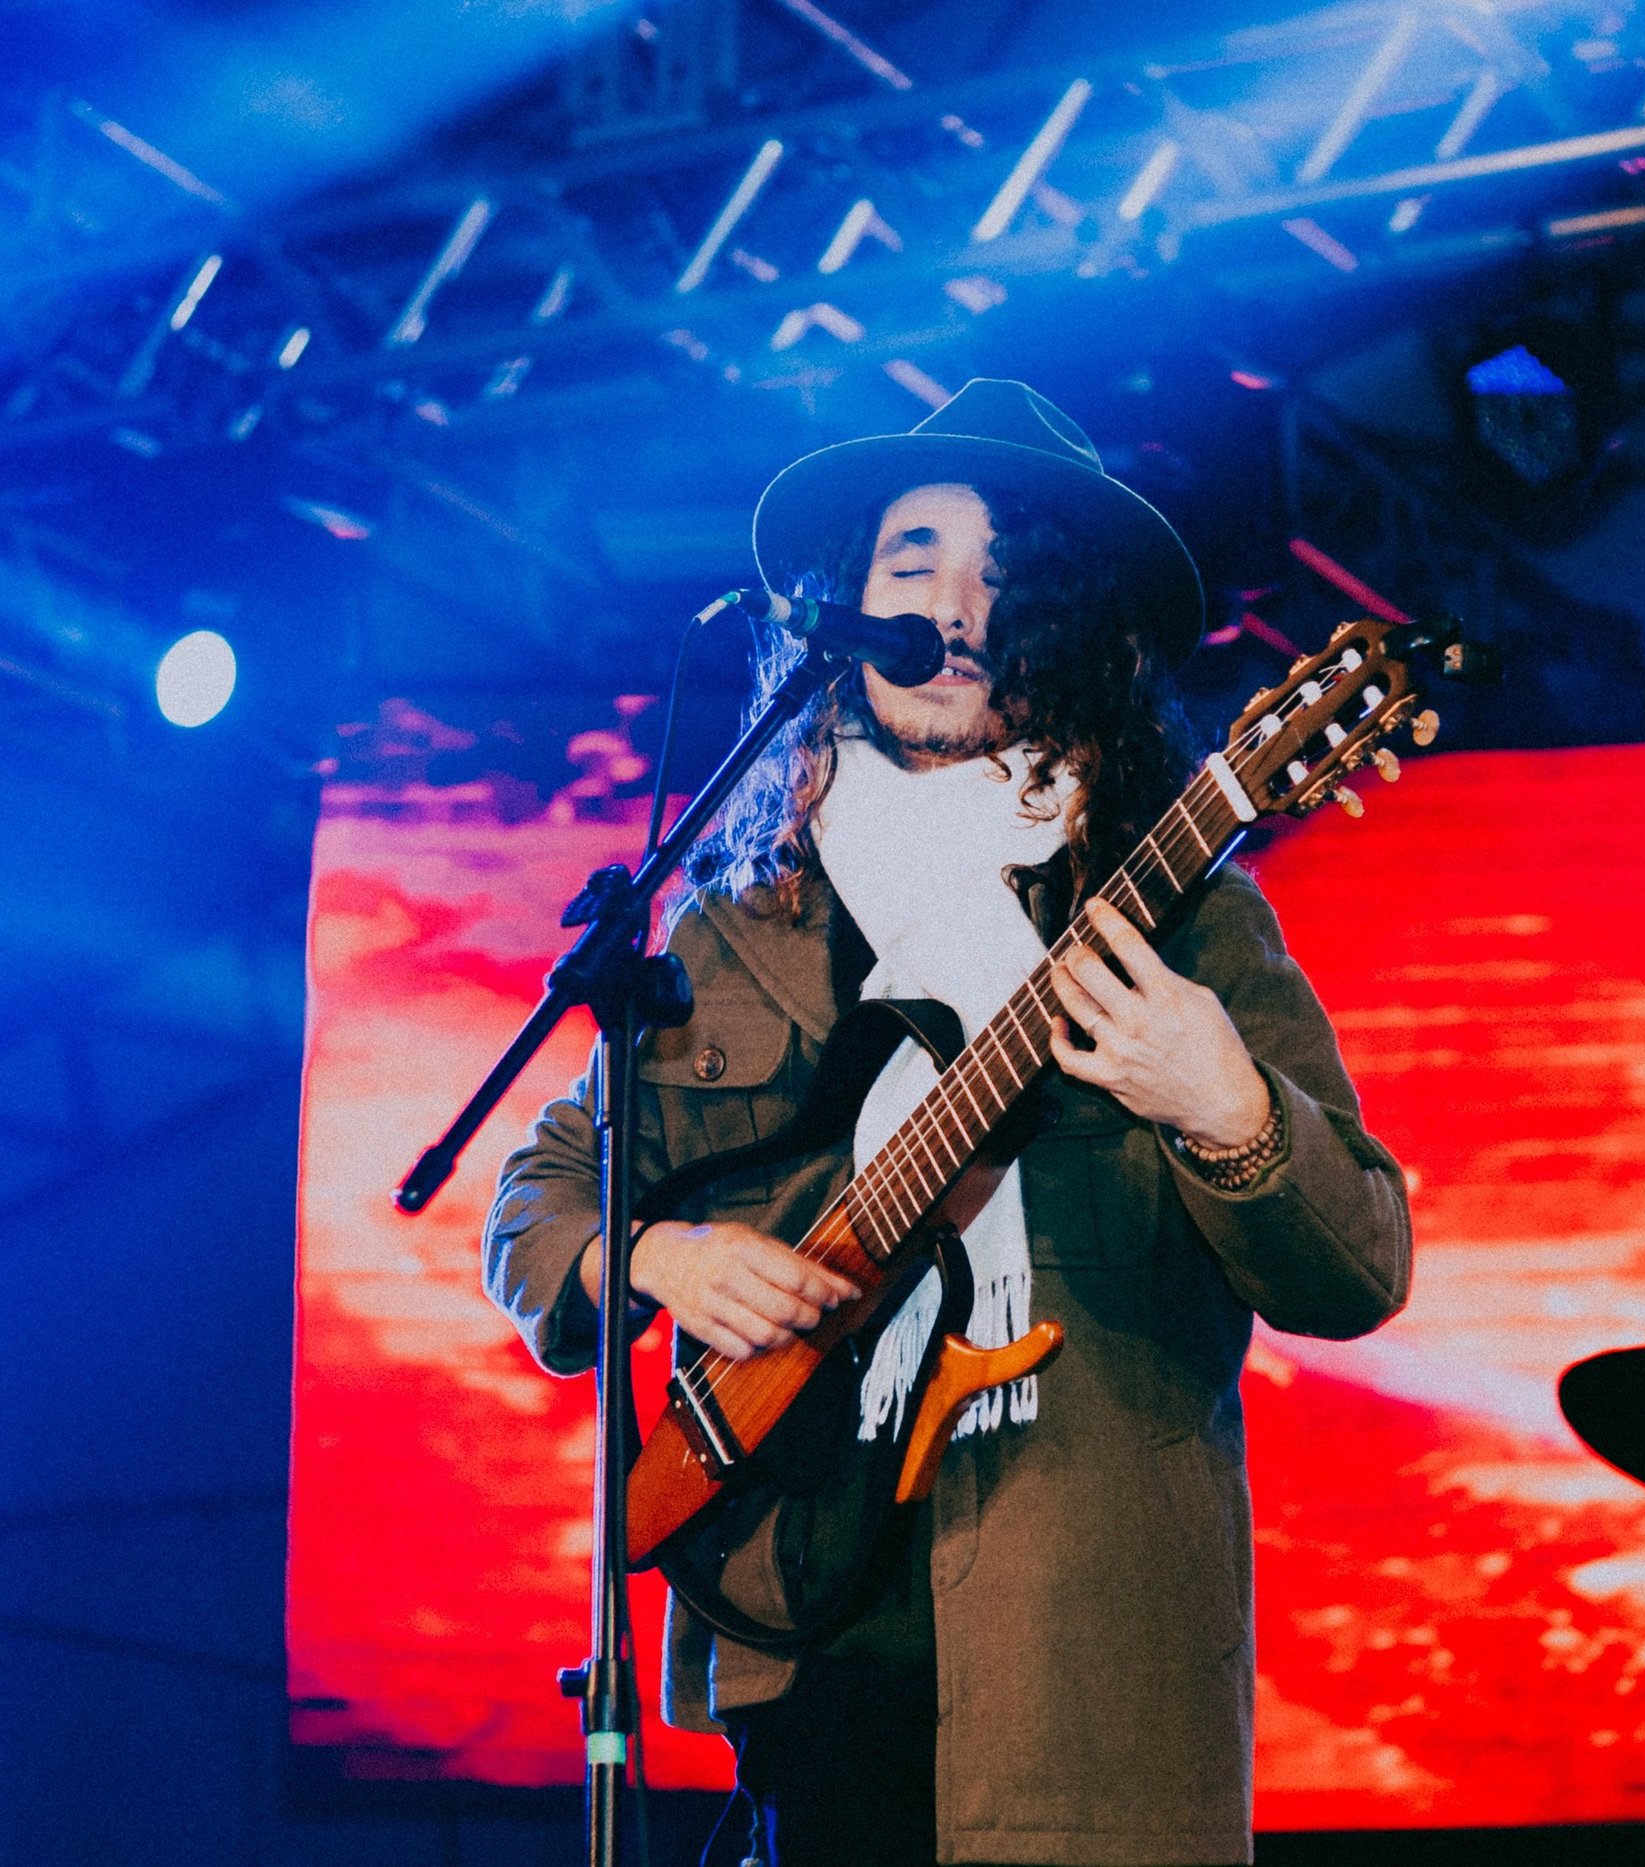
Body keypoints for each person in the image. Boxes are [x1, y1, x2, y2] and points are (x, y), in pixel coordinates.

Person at [484, 379, 1413, 1867]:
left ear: (1072, 631)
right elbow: (542, 1193)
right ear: (845, 608)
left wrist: (1227, 1108)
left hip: (1082, 1662)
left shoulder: (1187, 915)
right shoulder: (735, 930)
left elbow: (1360, 1262)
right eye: (913, 563)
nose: (956, 607)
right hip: (800, 1644)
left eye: (1006, 575)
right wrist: (655, 1258)